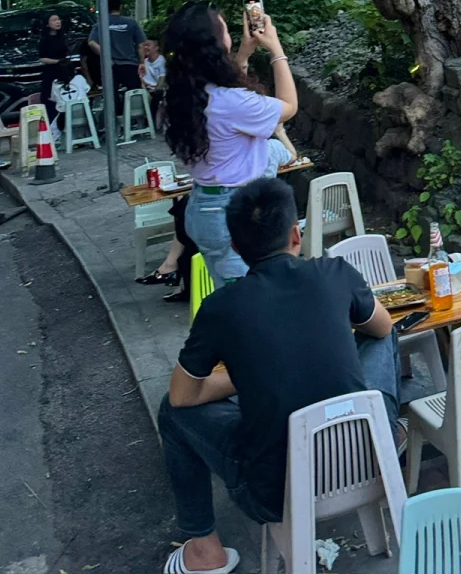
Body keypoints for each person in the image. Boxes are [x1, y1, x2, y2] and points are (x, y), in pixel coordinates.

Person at [158, 177, 400, 574]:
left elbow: (183, 397)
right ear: (295, 233)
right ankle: (389, 431)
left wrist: (252, 373)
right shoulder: (335, 272)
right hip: (368, 461)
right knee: (383, 336)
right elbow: (383, 328)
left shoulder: (220, 308)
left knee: (170, 413)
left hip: (277, 492)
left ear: (235, 247)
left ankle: (204, 550)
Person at [163, 2, 296, 286]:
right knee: (249, 301)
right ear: (216, 42)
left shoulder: (180, 97)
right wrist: (277, 50)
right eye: (225, 29)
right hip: (233, 210)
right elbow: (289, 106)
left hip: (203, 205)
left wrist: (244, 54)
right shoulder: (230, 103)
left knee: (234, 293)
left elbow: (228, 90)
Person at [88, 0, 146, 113]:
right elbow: (141, 45)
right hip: (130, 64)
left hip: (111, 66)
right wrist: (142, 62)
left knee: (111, 97)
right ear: (120, 7)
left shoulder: (101, 24)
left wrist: (105, 55)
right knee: (136, 93)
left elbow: (91, 42)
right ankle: (137, 120)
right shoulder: (131, 22)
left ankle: (116, 122)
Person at [37, 12, 69, 128]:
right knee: (51, 99)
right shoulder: (45, 40)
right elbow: (42, 58)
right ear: (48, 24)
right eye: (54, 20)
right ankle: (52, 126)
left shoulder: (62, 37)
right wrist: (57, 61)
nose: (57, 22)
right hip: (51, 72)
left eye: (58, 19)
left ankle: (64, 125)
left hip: (63, 71)